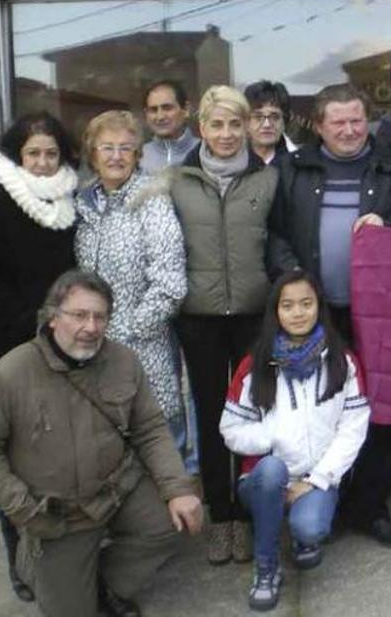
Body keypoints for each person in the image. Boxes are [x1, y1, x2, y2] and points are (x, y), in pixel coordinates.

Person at [0, 270, 203, 617]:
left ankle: (105, 584)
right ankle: (41, 565)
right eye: (79, 315)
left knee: (175, 523)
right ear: (52, 317)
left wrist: (178, 489)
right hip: (60, 514)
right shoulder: (9, 373)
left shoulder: (123, 361)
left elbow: (150, 428)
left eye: (100, 316)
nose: (91, 327)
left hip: (119, 490)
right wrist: (22, 509)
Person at [270, 82, 391, 548]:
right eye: (338, 122)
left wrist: (390, 225)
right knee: (323, 407)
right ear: (319, 126)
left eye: (356, 120)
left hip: (382, 312)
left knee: (382, 410)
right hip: (317, 312)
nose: (348, 130)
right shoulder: (293, 168)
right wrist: (294, 279)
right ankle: (330, 501)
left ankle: (371, 506)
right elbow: (274, 234)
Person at [0, 111, 78, 603]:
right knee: (9, 456)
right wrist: (35, 321)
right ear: (16, 156)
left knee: (50, 453)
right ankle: (20, 558)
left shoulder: (68, 202)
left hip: (57, 346)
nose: (43, 163)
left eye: (50, 153)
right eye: (33, 154)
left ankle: (60, 546)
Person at [168, 85, 278, 565]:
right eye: (218, 124)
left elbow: (279, 244)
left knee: (255, 414)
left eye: (236, 124)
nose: (228, 134)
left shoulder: (268, 180)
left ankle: (251, 514)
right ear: (202, 129)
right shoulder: (177, 182)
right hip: (201, 320)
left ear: (249, 127)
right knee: (213, 419)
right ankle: (222, 517)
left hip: (254, 316)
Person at [220, 270, 370, 610]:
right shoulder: (255, 363)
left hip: (314, 478)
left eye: (306, 303)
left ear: (320, 306)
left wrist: (317, 480)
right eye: (287, 305)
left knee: (311, 527)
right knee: (272, 471)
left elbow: (353, 427)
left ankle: (303, 537)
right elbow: (231, 428)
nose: (298, 313)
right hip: (263, 478)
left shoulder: (341, 361)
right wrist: (274, 441)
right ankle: (267, 568)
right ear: (275, 312)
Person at [75, 109, 189, 469]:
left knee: (158, 445)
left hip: (144, 347)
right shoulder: (83, 205)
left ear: (138, 155)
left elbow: (170, 283)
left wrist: (130, 332)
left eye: (126, 148)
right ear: (92, 154)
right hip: (92, 347)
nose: (116, 156)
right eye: (107, 147)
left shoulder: (152, 199)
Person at [140, 80, 198, 173]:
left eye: (167, 108)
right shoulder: (138, 157)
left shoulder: (204, 152)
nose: (160, 117)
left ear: (186, 109)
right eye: (153, 110)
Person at [243, 80, 296, 165]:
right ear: (246, 123)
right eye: (258, 117)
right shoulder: (233, 163)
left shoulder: (299, 165)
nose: (266, 125)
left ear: (284, 121)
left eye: (274, 117)